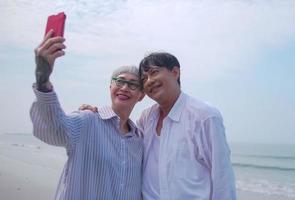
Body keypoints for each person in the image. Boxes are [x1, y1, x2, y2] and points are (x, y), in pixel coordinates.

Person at [30, 30, 145, 200]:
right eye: (119, 81)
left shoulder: (138, 139)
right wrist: (42, 78)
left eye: (133, 84)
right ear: (110, 87)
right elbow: (54, 130)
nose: (125, 87)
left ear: (141, 95)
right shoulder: (88, 120)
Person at [138, 52, 237, 199]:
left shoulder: (204, 116)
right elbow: (122, 143)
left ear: (175, 72)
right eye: (144, 79)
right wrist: (94, 114)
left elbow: (222, 176)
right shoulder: (146, 118)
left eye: (154, 72)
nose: (149, 81)